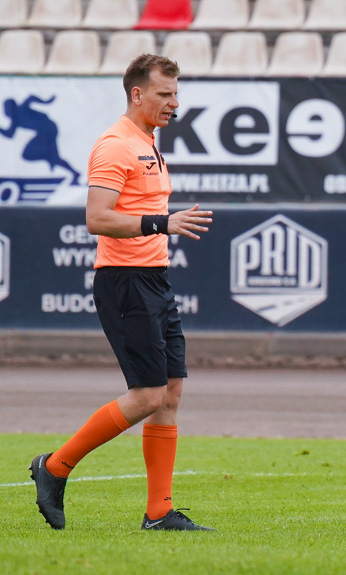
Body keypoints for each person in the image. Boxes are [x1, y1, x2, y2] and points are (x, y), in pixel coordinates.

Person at [29, 54, 214, 531]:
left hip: (154, 277)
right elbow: (96, 218)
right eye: (164, 94)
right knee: (149, 394)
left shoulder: (148, 142)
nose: (175, 102)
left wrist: (161, 233)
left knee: (170, 393)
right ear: (137, 94)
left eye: (176, 93)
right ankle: (54, 467)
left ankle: (158, 512)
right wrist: (162, 223)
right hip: (124, 281)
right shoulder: (115, 145)